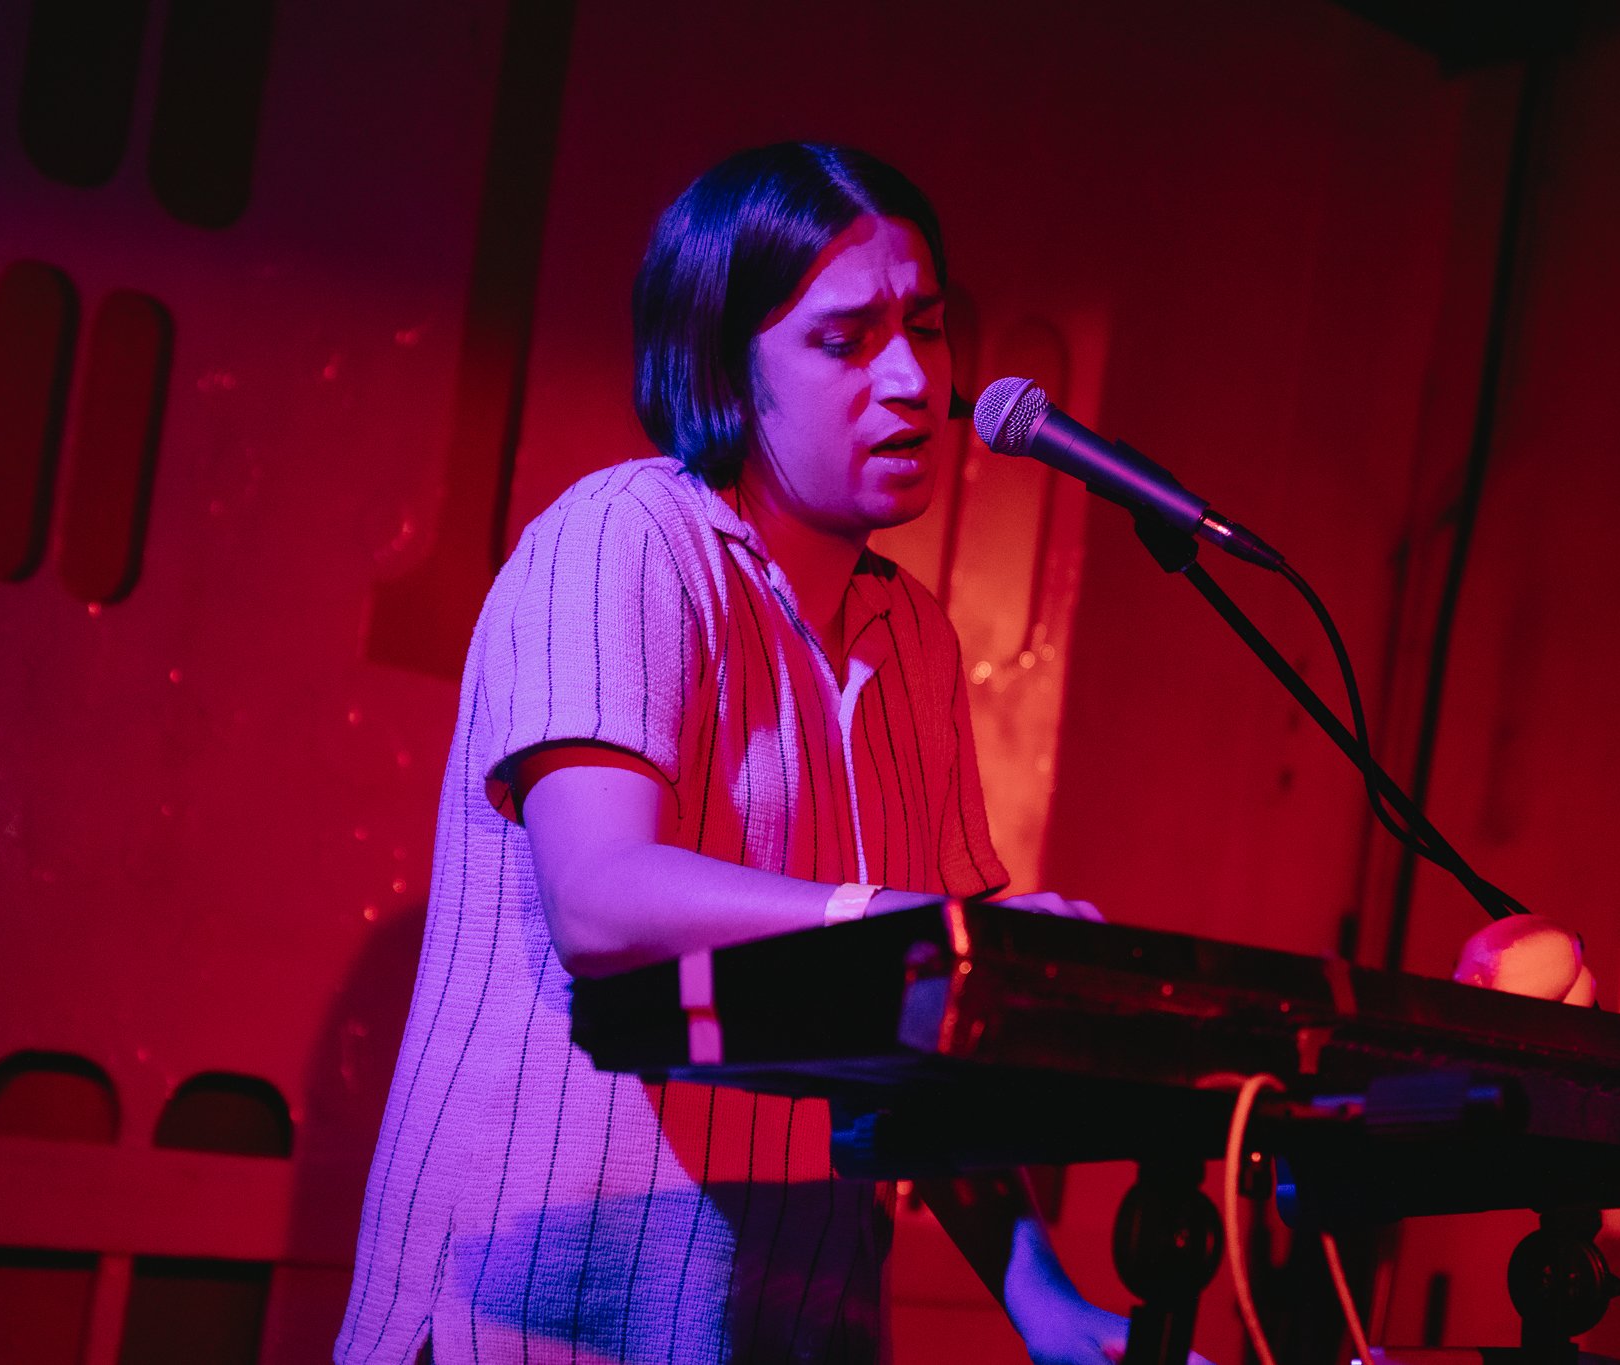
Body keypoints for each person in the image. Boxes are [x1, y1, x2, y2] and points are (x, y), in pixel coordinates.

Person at [336, 143, 1137, 1365]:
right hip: (537, 1311)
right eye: (845, 341)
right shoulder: (623, 538)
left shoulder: (915, 639)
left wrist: (1042, 1300)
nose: (915, 379)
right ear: (723, 365)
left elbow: (928, 1026)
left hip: (781, 1317)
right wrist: (903, 922)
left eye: (926, 328)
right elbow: (601, 900)